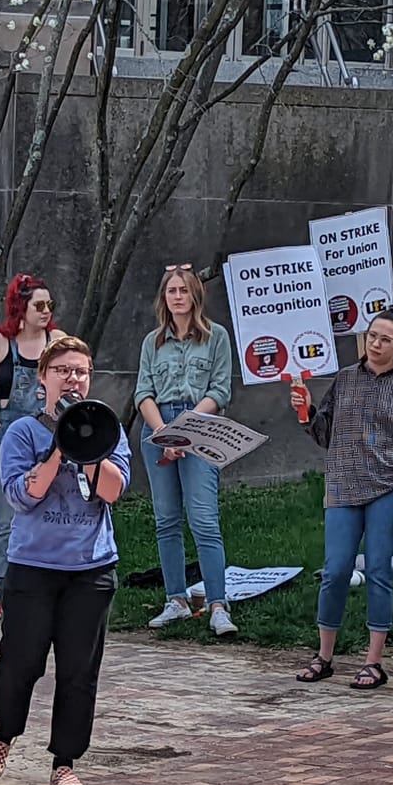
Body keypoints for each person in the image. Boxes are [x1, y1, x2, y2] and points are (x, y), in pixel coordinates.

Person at [0, 337, 132, 785]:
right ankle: (5, 734)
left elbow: (113, 491)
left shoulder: (106, 428)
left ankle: (64, 760)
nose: (73, 378)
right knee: (21, 662)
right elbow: (22, 496)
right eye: (62, 370)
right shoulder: (22, 432)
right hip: (32, 567)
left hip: (91, 569)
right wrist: (61, 445)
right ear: (42, 378)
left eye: (81, 371)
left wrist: (88, 446)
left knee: (79, 669)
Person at [291, 308, 393, 692]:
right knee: (335, 569)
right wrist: (305, 411)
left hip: (392, 484)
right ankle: (324, 655)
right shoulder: (344, 380)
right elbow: (323, 433)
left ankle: (374, 661)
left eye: (385, 339)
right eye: (372, 335)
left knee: (378, 567)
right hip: (343, 483)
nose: (376, 344)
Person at [135, 265, 237, 636]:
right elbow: (143, 392)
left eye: (183, 290)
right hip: (159, 427)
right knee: (166, 520)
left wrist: (185, 430)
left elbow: (220, 390)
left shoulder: (216, 337)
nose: (177, 296)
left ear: (195, 295)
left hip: (200, 427)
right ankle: (175, 599)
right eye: (171, 291)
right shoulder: (153, 341)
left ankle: (217, 604)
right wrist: (164, 432)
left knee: (204, 519)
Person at [0, 274, 67, 622]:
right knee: (7, 514)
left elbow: (75, 377)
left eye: (50, 305)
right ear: (20, 308)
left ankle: (44, 587)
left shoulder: (56, 340)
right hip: (10, 431)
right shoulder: (1, 342)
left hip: (48, 433)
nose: (46, 311)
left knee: (51, 509)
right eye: (39, 305)